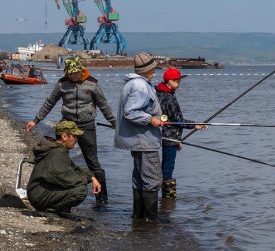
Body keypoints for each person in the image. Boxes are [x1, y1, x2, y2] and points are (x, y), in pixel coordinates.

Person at [26, 57, 116, 205]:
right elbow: (50, 102)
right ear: (67, 72)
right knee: (59, 158)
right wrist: (36, 120)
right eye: (72, 73)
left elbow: (103, 104)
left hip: (87, 126)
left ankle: (102, 198)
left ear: (82, 70)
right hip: (67, 126)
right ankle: (58, 191)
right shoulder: (62, 84)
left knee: (93, 163)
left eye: (77, 72)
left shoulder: (92, 83)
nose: (75, 76)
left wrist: (113, 121)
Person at [114, 52, 163, 221]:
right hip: (144, 140)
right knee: (152, 178)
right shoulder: (140, 86)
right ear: (148, 70)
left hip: (138, 140)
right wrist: (151, 119)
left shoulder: (132, 84)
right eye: (153, 69)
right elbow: (131, 112)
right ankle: (150, 221)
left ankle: (139, 219)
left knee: (139, 178)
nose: (155, 72)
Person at [27, 120, 101, 216]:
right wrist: (85, 179)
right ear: (65, 136)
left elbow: (74, 168)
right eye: (74, 137)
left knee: (77, 184)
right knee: (81, 190)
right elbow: (62, 177)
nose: (76, 140)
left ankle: (58, 209)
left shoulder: (59, 149)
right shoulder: (57, 152)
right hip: (39, 195)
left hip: (40, 192)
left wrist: (91, 177)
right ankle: (50, 210)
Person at [155, 68, 205, 199]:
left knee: (163, 166)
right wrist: (195, 125)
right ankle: (168, 198)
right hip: (168, 137)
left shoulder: (158, 92)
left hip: (160, 135)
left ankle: (164, 202)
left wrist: (177, 139)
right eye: (178, 81)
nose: (180, 83)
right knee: (168, 168)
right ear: (170, 81)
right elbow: (177, 121)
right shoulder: (168, 98)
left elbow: (170, 119)